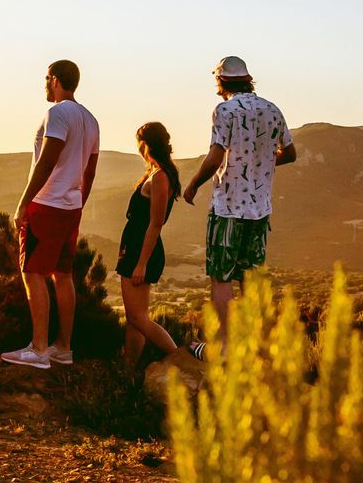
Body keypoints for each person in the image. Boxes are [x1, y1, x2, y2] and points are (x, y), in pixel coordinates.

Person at [180, 56, 295, 356]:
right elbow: (291, 152)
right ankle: (257, 345)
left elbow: (216, 156)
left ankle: (228, 346)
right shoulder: (273, 110)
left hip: (229, 207)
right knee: (251, 280)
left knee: (221, 277)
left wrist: (193, 183)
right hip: (260, 209)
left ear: (222, 82)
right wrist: (263, 163)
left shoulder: (224, 110)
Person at [4, 59, 99, 369]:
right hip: (71, 206)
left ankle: (40, 349)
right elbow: (90, 169)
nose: (44, 84)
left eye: (46, 78)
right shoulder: (91, 119)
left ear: (56, 80)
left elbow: (47, 160)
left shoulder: (57, 114)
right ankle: (63, 348)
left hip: (47, 204)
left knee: (32, 272)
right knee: (63, 274)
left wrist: (23, 203)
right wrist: (77, 202)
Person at [117, 122, 195, 369]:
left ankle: (179, 357)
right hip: (135, 246)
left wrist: (141, 263)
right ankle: (129, 369)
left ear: (147, 144)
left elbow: (156, 223)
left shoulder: (160, 177)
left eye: (140, 143)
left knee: (138, 318)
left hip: (143, 249)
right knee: (134, 319)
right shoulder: (156, 173)